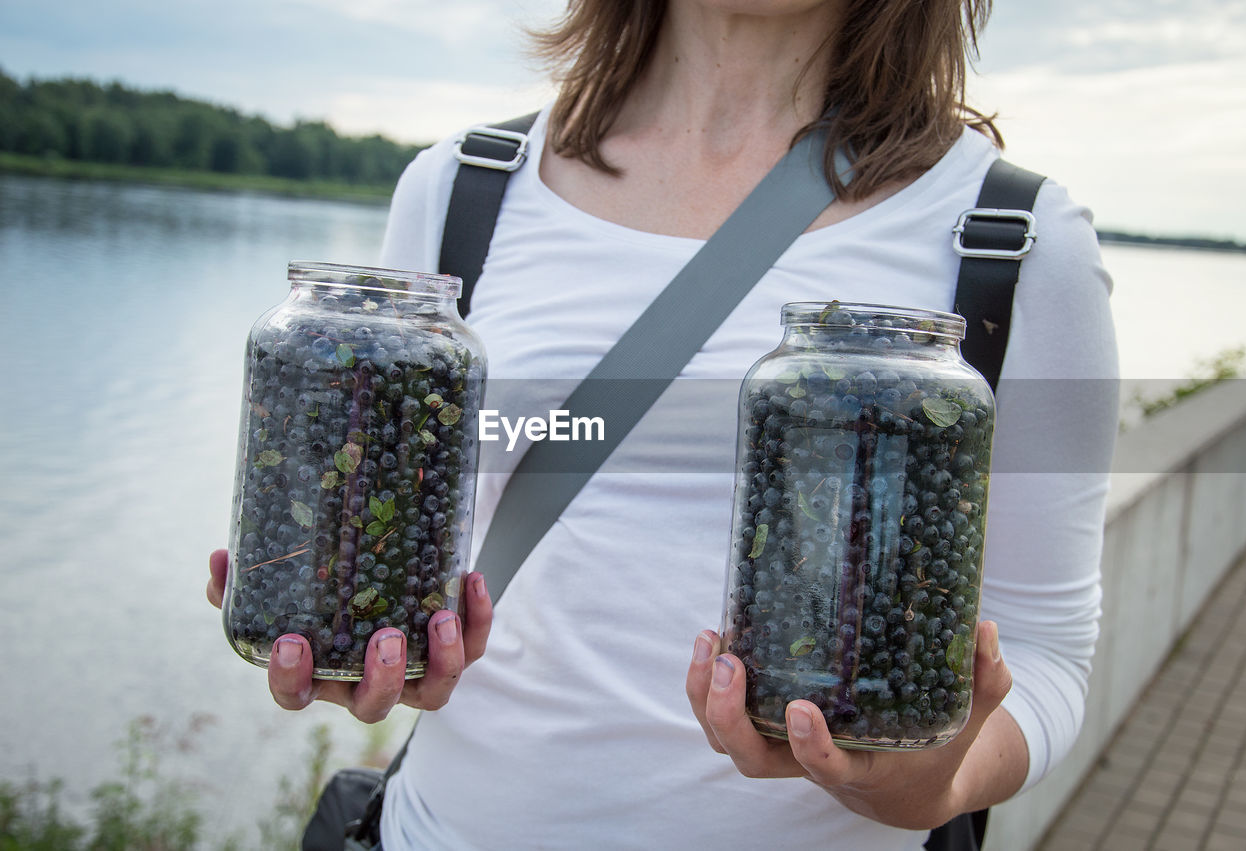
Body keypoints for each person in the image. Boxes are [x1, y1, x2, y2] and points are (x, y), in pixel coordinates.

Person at [207, 0, 1120, 847]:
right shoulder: (464, 190)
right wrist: (355, 616)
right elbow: (413, 522)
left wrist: (933, 787)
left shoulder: (1011, 239)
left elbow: (1046, 653)